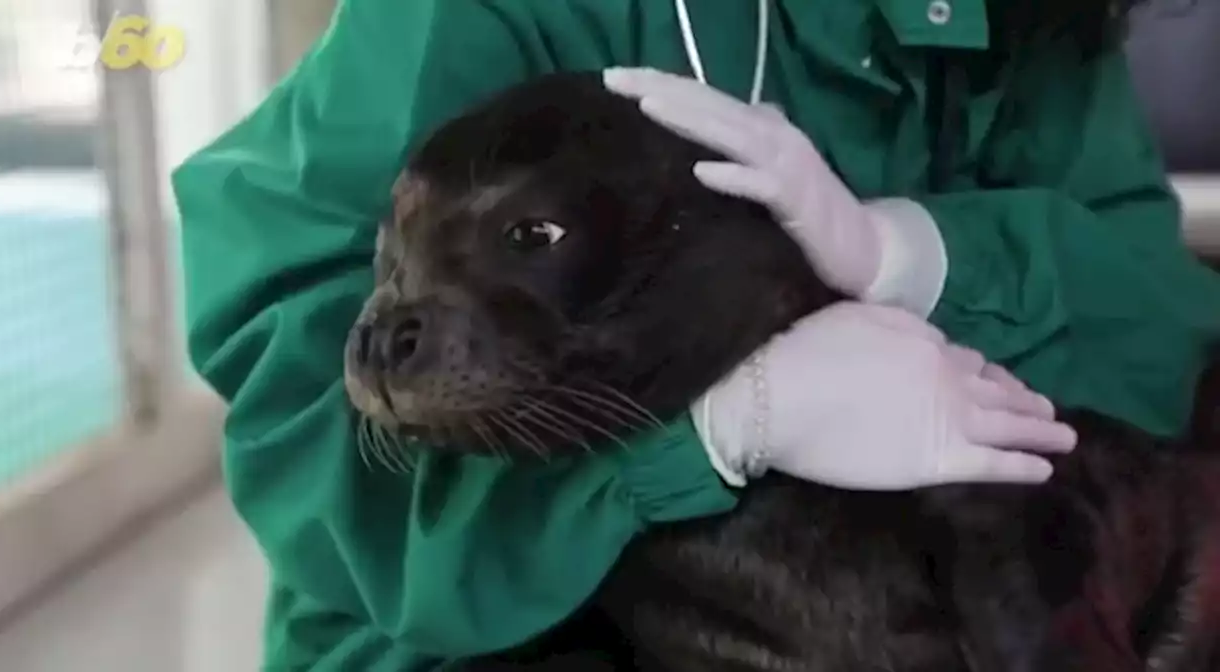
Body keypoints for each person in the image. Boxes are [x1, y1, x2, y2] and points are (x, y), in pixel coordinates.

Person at [171, 0, 1220, 668]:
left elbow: (1155, 314)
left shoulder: (1033, 26)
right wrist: (715, 426)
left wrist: (903, 256)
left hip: (946, 577)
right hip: (500, 620)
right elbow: (305, 394)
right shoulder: (482, 12)